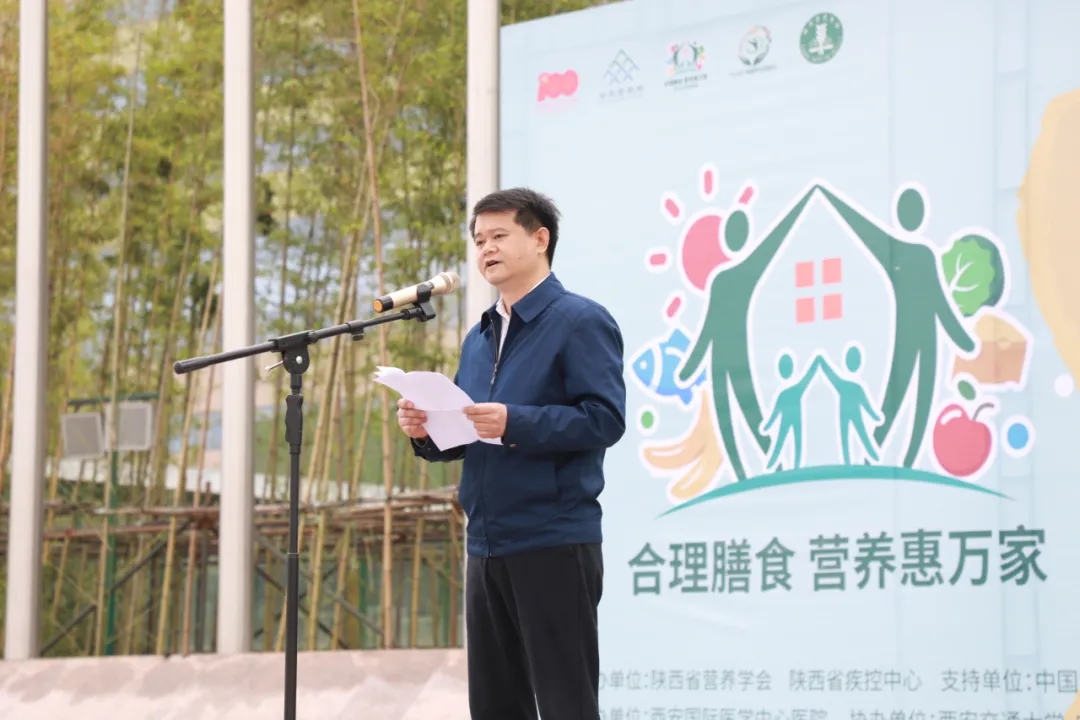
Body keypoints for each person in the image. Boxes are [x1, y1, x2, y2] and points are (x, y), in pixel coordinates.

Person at [396, 187, 626, 719]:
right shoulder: (478, 336)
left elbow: (604, 419)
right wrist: (425, 431)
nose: (486, 249)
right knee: (495, 706)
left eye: (499, 235)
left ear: (540, 239)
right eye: (479, 240)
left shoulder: (580, 320)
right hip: (485, 543)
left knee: (567, 704)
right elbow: (466, 431)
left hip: (553, 539)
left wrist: (514, 421)